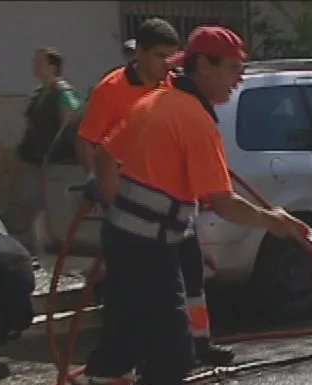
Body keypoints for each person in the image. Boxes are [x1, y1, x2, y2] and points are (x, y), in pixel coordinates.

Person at [80, 25, 310, 385]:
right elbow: (222, 202)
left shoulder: (153, 103)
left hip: (125, 242)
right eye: (233, 69)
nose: (238, 79)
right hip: (150, 252)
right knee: (173, 354)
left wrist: (116, 203)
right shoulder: (192, 118)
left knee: (118, 344)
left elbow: (104, 157)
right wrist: (276, 222)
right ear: (202, 64)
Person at [78, 19, 235, 367]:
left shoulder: (170, 87)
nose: (168, 64)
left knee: (190, 273)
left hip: (172, 206)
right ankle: (148, 364)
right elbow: (92, 142)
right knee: (137, 293)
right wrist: (103, 187)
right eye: (160, 56)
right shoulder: (112, 89)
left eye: (172, 56)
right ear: (140, 54)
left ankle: (197, 343)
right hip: (134, 205)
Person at [17, 47, 82, 257]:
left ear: (52, 66)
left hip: (53, 163)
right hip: (36, 160)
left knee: (48, 205)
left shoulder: (63, 93)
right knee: (33, 205)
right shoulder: (39, 93)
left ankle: (55, 248)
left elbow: (69, 124)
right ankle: (39, 248)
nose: (34, 65)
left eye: (40, 61)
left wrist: (55, 154)